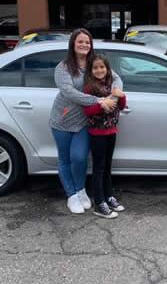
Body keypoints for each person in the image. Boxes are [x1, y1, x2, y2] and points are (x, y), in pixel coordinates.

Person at [49, 28, 122, 214]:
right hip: (62, 119)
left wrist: (114, 98)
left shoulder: (94, 63)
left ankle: (81, 190)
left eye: (87, 42)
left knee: (79, 158)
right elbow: (70, 93)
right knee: (65, 159)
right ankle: (71, 195)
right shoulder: (63, 67)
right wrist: (100, 101)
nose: (84, 45)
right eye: (80, 41)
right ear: (73, 44)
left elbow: (117, 79)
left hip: (83, 120)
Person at [83, 54, 127, 219]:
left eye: (102, 67)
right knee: (99, 168)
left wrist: (121, 96)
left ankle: (109, 196)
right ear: (90, 70)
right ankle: (99, 202)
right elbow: (87, 111)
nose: (99, 70)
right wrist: (102, 104)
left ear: (108, 69)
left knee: (108, 166)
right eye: (95, 68)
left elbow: (121, 106)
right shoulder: (89, 88)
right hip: (97, 134)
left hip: (111, 132)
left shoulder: (111, 85)